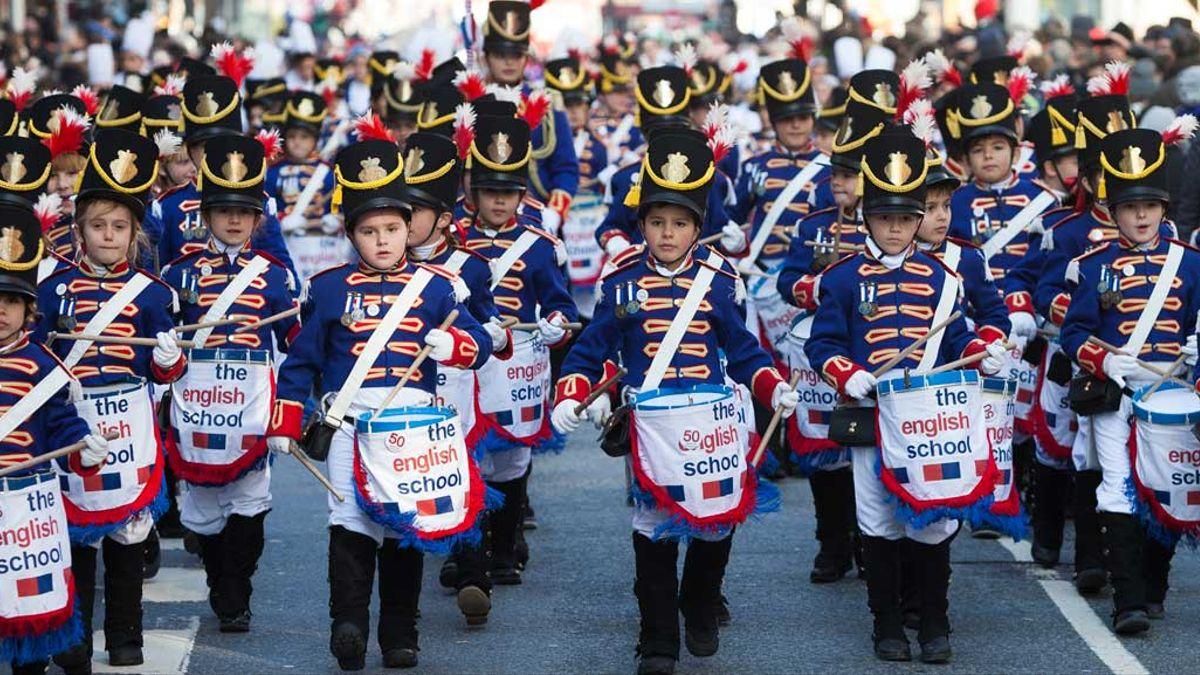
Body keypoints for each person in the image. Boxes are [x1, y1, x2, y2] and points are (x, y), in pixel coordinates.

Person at [551, 126, 799, 675]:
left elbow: (744, 349)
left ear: (698, 228)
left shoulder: (718, 279)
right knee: (653, 531)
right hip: (653, 426)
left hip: (713, 420)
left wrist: (772, 387)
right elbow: (590, 350)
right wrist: (571, 392)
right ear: (640, 225)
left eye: (680, 223)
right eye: (657, 222)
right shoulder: (620, 282)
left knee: (714, 525)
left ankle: (701, 605)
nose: (667, 233)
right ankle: (658, 639)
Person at [267, 130, 491, 671]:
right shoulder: (327, 287)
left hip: (412, 426)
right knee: (348, 525)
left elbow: (482, 343)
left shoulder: (438, 287)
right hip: (350, 423)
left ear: (408, 228)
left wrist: (455, 344)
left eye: (393, 228)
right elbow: (302, 362)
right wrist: (284, 420)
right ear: (352, 234)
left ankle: (399, 634)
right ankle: (347, 625)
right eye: (371, 231)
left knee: (402, 532)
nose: (385, 240)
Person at [806, 126, 1007, 664]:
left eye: (905, 218)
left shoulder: (945, 276)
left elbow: (958, 335)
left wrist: (986, 348)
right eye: (884, 217)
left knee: (936, 519)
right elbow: (821, 343)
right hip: (873, 417)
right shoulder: (843, 278)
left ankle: (935, 624)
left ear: (919, 219)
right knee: (877, 521)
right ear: (868, 215)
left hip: (928, 416)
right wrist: (847, 374)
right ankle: (887, 625)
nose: (895, 228)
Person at [36, 128, 184, 672]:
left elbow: (165, 370)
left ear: (135, 233)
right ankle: (73, 638)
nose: (108, 235)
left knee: (127, 534)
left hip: (129, 426)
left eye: (119, 227)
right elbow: (37, 355)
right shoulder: (52, 290)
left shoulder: (152, 292)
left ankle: (127, 637)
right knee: (74, 537)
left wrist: (167, 356)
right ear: (79, 231)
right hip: (73, 421)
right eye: (97, 226)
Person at [1059, 120, 1198, 635]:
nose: (1141, 215)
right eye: (1130, 207)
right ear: (1113, 210)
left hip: (1173, 394)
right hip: (1115, 396)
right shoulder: (1092, 265)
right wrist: (1101, 360)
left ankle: (1154, 589)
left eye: (1150, 206)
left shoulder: (1191, 265)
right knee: (1116, 488)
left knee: (1163, 489)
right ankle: (1128, 601)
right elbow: (1072, 333)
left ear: (1164, 208)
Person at [159, 132, 301, 634]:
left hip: (251, 404)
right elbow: (163, 337)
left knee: (249, 501)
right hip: (196, 403)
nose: (234, 220)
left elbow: (295, 339)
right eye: (223, 210)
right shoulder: (177, 273)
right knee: (201, 512)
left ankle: (235, 589)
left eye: (244, 211)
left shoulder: (276, 275)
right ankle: (221, 576)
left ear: (258, 217)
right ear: (206, 214)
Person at [0, 134, 113, 675]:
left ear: (28, 310)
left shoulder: (47, 367)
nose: (1, 314)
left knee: (32, 608)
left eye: (11, 304)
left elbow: (63, 424)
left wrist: (83, 451)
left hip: (29, 505)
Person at [461, 111, 578, 583]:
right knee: (464, 456)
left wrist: (555, 325)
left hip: (518, 365)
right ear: (474, 193)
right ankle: (465, 551)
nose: (499, 202)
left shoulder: (538, 246)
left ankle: (505, 548)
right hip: (466, 364)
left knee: (510, 462)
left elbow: (560, 303)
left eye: (508, 193)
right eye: (490, 192)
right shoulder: (453, 239)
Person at [403, 129, 513, 625]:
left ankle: (474, 573)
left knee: (465, 471)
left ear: (444, 219)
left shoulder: (470, 267)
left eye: (413, 214)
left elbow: (490, 324)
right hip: (406, 388)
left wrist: (492, 334)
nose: (400, 224)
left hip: (459, 385)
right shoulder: (383, 263)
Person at [143, 75, 296, 276]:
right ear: (190, 152)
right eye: (205, 147)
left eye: (221, 144)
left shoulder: (261, 202)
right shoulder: (166, 206)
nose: (213, 154)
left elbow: (282, 271)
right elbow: (154, 276)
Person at [480, 0, 579, 236]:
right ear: (486, 56)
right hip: (478, 225)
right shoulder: (468, 104)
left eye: (516, 54)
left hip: (539, 219)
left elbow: (566, 168)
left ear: (526, 58)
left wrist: (554, 213)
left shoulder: (547, 103)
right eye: (500, 53)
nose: (509, 61)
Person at [267, 91, 343, 284]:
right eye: (292, 135)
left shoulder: (329, 174)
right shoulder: (273, 172)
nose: (297, 142)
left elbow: (342, 210)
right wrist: (280, 221)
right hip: (287, 248)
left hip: (324, 252)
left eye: (304, 136)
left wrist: (335, 219)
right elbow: (265, 210)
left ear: (315, 139)